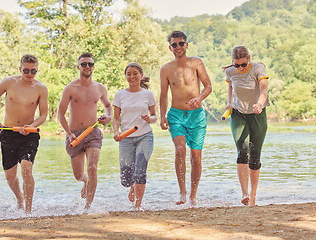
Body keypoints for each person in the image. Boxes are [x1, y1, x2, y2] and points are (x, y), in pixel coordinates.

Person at [0, 54, 48, 215]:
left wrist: (31, 126)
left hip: (30, 134)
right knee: (9, 176)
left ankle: (28, 211)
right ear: (19, 68)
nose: (29, 74)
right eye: (25, 70)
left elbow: (43, 115)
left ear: (37, 70)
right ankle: (19, 199)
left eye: (33, 71)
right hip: (8, 133)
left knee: (27, 168)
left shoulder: (41, 88)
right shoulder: (9, 82)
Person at [159, 30, 212, 207]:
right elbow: (164, 95)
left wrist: (199, 98)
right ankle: (182, 192)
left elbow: (208, 86)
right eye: (174, 44)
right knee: (180, 150)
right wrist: (162, 116)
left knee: (196, 157)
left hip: (196, 116)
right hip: (176, 115)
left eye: (181, 43)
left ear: (186, 45)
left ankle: (193, 195)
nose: (178, 47)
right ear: (170, 48)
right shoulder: (166, 69)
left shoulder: (196, 63)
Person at [57, 52, 112, 210]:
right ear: (78, 67)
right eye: (84, 64)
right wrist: (68, 133)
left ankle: (88, 207)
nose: (87, 67)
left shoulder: (100, 88)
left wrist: (107, 116)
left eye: (90, 64)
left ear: (93, 67)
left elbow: (108, 106)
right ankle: (86, 181)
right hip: (74, 135)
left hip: (93, 133)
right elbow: (60, 114)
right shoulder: (70, 88)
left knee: (93, 167)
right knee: (79, 175)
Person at [223, 46, 269, 207]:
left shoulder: (258, 68)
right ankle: (244, 193)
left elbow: (264, 90)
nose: (240, 68)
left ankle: (254, 195)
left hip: (257, 114)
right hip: (238, 114)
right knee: (243, 151)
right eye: (237, 65)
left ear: (249, 58)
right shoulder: (230, 72)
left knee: (255, 155)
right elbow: (230, 87)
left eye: (243, 64)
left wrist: (260, 104)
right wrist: (229, 103)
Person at [112, 63, 157, 211]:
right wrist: (116, 132)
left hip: (145, 135)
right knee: (126, 178)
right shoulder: (120, 95)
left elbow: (155, 116)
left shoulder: (148, 94)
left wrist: (149, 119)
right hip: (126, 137)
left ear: (141, 75)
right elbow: (116, 118)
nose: (132, 76)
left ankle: (138, 206)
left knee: (140, 169)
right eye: (129, 74)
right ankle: (132, 186)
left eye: (135, 73)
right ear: (125, 76)